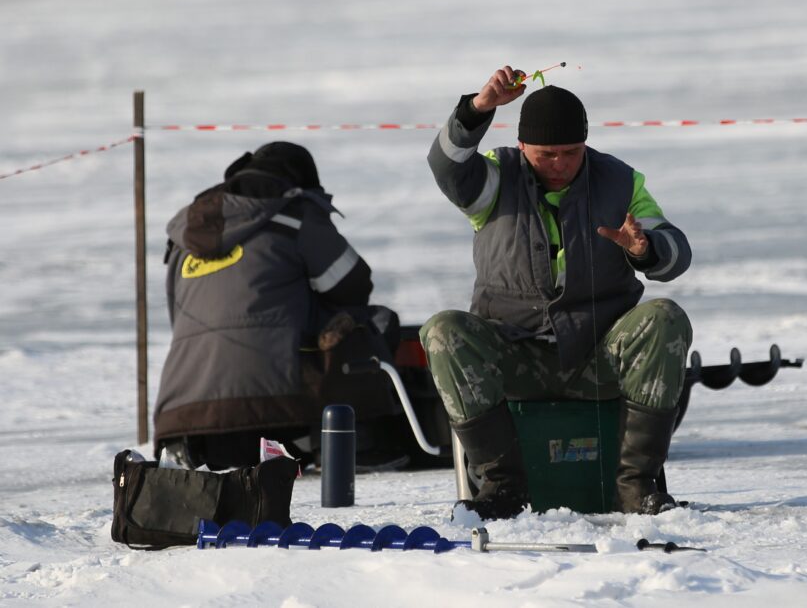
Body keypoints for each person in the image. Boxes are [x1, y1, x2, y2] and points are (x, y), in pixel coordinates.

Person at [421, 66, 693, 518]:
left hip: (596, 358)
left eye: (571, 152)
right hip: (512, 358)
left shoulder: (620, 183)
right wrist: (478, 109)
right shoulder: (494, 179)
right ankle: (503, 486)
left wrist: (646, 249)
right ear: (522, 146)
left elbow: (677, 253)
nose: (560, 164)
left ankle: (636, 486)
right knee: (442, 331)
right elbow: (446, 167)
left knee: (665, 316)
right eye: (546, 154)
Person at [153, 142, 401, 470]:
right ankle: (349, 441)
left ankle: (194, 448)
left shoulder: (183, 239)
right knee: (369, 322)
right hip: (278, 412)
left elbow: (177, 317)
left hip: (185, 421)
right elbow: (353, 286)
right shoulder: (295, 215)